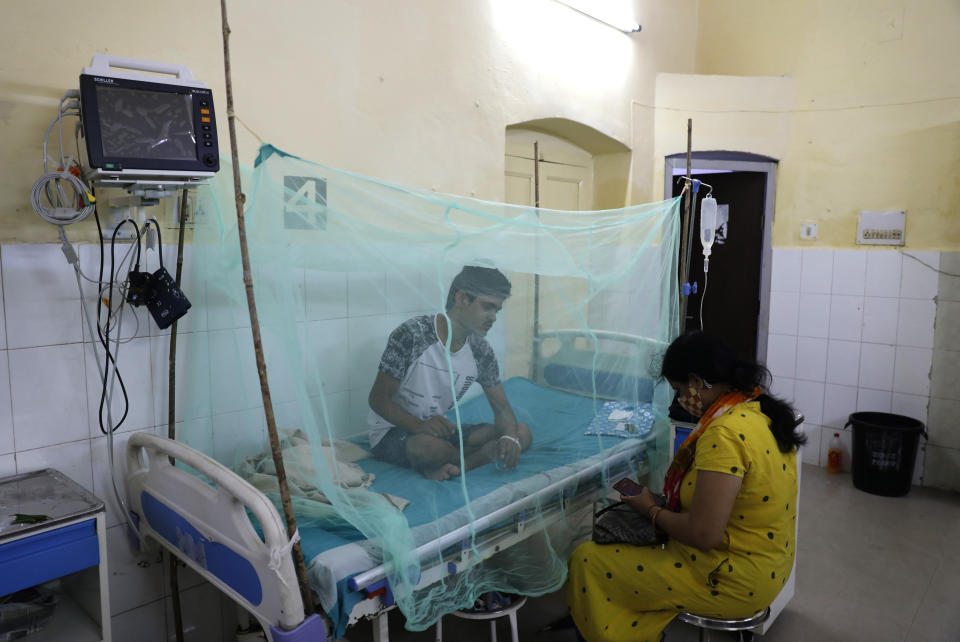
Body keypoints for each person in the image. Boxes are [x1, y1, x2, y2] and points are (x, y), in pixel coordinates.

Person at [565, 331, 804, 642]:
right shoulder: (759, 409)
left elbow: (704, 534)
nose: (679, 400)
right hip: (769, 564)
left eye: (678, 390)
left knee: (587, 561)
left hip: (731, 577)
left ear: (696, 382)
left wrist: (650, 509)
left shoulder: (725, 435)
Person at [367, 266, 532, 480]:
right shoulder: (413, 334)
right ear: (462, 298)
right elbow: (378, 400)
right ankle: (475, 457)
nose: (493, 317)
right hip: (395, 432)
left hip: (441, 431)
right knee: (429, 449)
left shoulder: (480, 351)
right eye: (487, 307)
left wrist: (510, 438)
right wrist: (420, 426)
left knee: (521, 432)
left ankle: (460, 465)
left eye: (497, 310)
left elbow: (501, 408)